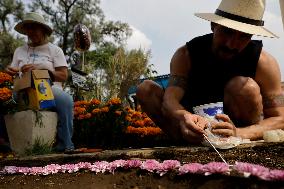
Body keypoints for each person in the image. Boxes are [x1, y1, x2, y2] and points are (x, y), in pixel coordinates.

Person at [136, 0, 284, 144]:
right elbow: (170, 100)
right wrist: (184, 117)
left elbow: (280, 118)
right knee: (146, 89)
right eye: (227, 32)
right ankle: (183, 140)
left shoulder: (264, 63)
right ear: (213, 25)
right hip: (192, 126)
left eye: (244, 36)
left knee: (245, 87)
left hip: (238, 132)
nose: (232, 44)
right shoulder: (185, 55)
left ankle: (236, 143)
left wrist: (239, 133)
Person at [5, 12, 75, 152]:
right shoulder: (20, 50)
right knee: (4, 100)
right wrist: (9, 71)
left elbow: (63, 75)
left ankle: (65, 144)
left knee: (66, 100)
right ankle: (5, 143)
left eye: (34, 28)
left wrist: (44, 71)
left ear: (43, 29)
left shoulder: (55, 50)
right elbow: (12, 70)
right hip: (22, 89)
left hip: (47, 88)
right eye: (28, 29)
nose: (31, 32)